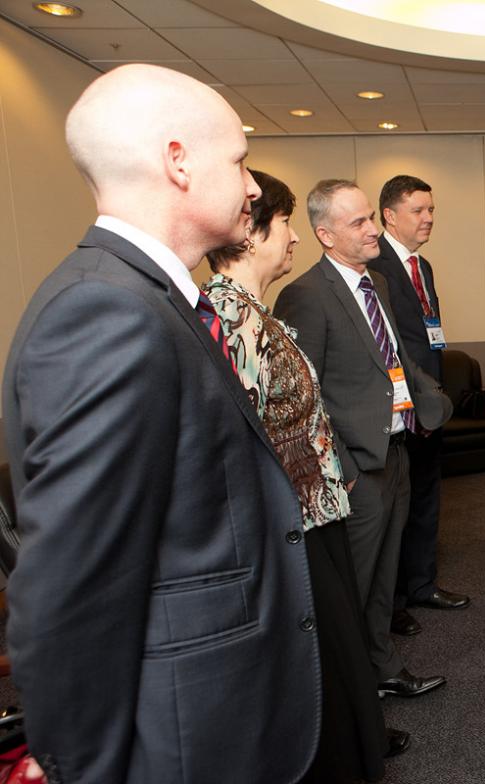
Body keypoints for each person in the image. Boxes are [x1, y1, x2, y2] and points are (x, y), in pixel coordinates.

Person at [1, 64, 319, 782]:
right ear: (177, 162)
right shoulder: (107, 313)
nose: (249, 185)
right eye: (238, 159)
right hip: (175, 743)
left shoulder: (144, 297)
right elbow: (69, 598)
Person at [203, 170, 400, 781]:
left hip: (317, 509)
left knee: (335, 646)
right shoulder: (226, 318)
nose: (293, 240)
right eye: (285, 224)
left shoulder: (254, 313)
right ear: (250, 230)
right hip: (291, 521)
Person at [274, 179, 453, 704]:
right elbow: (305, 396)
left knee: (382, 579)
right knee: (352, 584)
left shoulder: (377, 282)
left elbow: (393, 361)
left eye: (371, 218)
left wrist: (431, 399)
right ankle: (348, 694)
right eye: (359, 222)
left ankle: (382, 668)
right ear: (326, 234)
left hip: (396, 452)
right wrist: (345, 465)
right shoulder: (304, 295)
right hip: (357, 468)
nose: (373, 228)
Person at [368, 174, 469, 638]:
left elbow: (429, 336)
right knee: (395, 508)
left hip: (427, 400)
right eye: (419, 211)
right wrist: (411, 404)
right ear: (390, 216)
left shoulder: (420, 266)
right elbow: (387, 347)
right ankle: (393, 603)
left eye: (432, 210)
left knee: (427, 495)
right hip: (397, 405)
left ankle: (422, 583)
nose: (429, 218)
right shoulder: (375, 267)